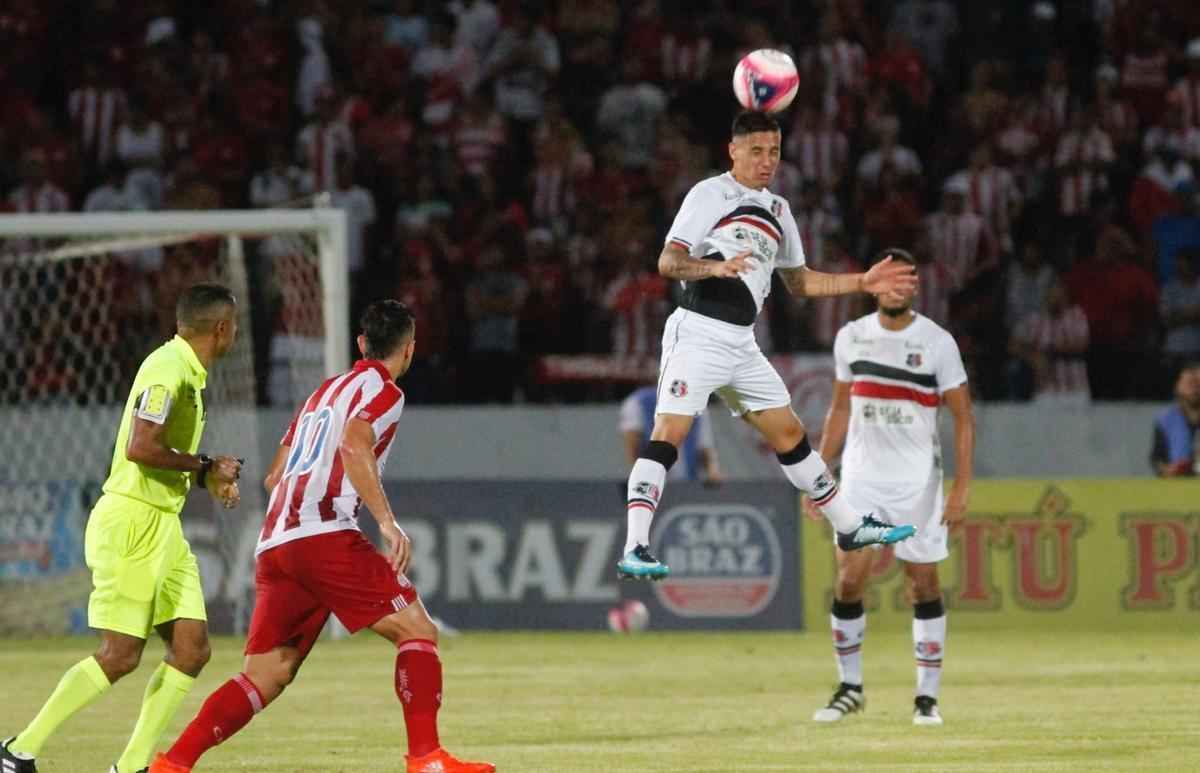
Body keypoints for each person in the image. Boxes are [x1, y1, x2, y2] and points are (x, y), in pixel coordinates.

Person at [147, 301, 493, 773]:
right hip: (324, 534)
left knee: (267, 675)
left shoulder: (321, 394)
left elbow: (274, 477)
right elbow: (354, 442)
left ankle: (171, 764)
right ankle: (427, 760)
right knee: (417, 631)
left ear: (361, 344)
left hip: (276, 542)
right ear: (409, 349)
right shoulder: (385, 392)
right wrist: (387, 522)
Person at [617, 111, 919, 582]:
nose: (766, 161)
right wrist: (712, 268)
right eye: (756, 150)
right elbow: (669, 261)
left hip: (742, 342)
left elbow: (799, 283)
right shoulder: (710, 194)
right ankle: (636, 544)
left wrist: (862, 280)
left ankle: (849, 527)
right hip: (698, 331)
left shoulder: (779, 210)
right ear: (733, 150)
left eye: (774, 152)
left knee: (789, 434)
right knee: (669, 434)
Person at [2, 284, 245, 773]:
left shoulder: (188, 374)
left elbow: (159, 455)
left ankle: (131, 767)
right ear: (221, 328)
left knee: (192, 649)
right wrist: (204, 463)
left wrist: (202, 476)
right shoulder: (166, 370)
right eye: (233, 326)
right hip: (132, 520)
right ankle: (17, 752)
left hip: (162, 525)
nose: (235, 334)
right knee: (120, 655)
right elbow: (140, 447)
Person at [804, 248, 974, 726]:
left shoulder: (937, 343)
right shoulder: (851, 337)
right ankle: (850, 687)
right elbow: (840, 409)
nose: (897, 286)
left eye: (907, 279)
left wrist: (961, 488)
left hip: (917, 482)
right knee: (848, 579)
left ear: (915, 287)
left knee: (922, 583)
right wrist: (818, 473)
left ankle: (927, 698)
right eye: (889, 277)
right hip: (860, 479)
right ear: (875, 282)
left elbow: (963, 418)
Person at [620, 385, 721, 483]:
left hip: (688, 482)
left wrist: (712, 471)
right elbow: (633, 444)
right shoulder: (638, 402)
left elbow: (704, 447)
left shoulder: (698, 405)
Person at [1151, 363, 1200, 477]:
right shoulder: (1166, 421)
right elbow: (1157, 458)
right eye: (1190, 383)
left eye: (1198, 383)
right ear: (1178, 386)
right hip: (1178, 484)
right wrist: (1168, 470)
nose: (1195, 388)